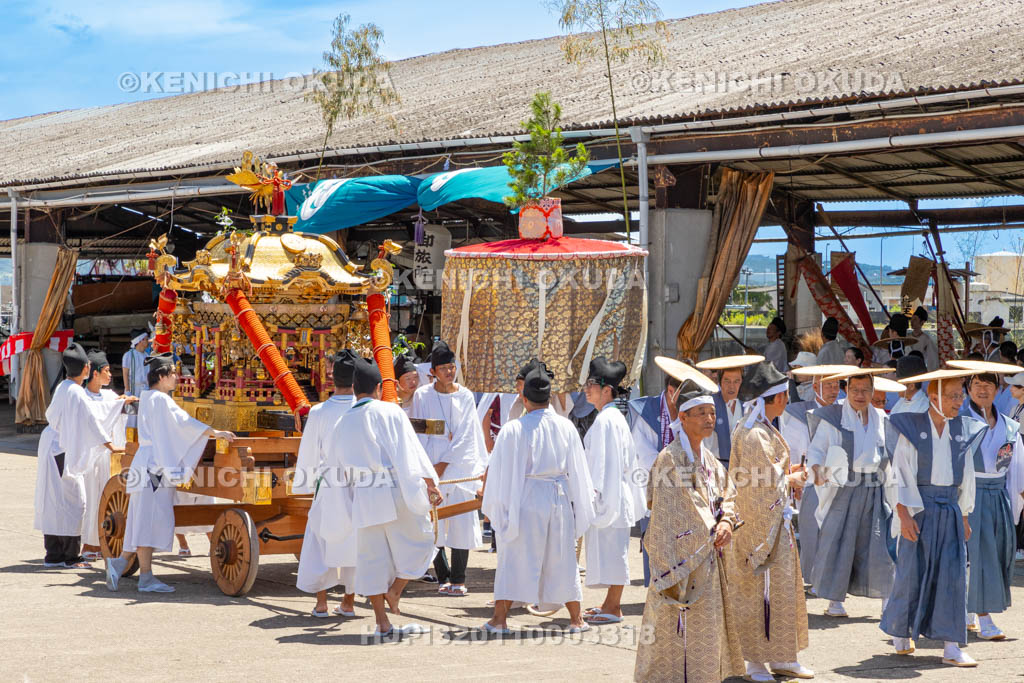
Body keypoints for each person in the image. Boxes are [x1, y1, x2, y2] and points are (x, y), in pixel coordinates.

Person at [322, 358, 443, 637]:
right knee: (422, 540)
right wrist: (429, 483)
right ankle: (395, 590)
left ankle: (382, 623)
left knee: (371, 557)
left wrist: (343, 502)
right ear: (378, 388)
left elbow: (335, 467)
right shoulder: (391, 411)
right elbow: (411, 450)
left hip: (365, 493)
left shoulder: (342, 421)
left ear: (354, 389)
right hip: (395, 486)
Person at [634, 375, 743, 682]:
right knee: (675, 632)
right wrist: (714, 527)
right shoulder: (670, 459)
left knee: (706, 633)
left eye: (712, 413)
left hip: (708, 557)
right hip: (680, 563)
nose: (710, 419)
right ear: (682, 418)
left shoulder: (709, 459)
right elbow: (674, 510)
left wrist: (726, 520)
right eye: (702, 414)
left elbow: (729, 493)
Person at [105, 353, 236, 593]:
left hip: (146, 463)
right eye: (173, 373)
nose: (177, 378)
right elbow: (184, 424)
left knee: (140, 518)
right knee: (149, 519)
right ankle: (144, 576)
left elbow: (179, 424)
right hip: (154, 467)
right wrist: (215, 433)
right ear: (162, 376)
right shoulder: (162, 400)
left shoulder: (148, 397)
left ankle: (120, 563)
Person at [482, 365, 596, 634]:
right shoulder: (566, 427)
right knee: (562, 558)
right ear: (549, 397)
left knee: (514, 558)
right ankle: (576, 619)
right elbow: (579, 470)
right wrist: (581, 507)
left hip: (525, 498)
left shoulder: (513, 429)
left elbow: (499, 471)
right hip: (558, 498)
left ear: (524, 398)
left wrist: (496, 506)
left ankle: (499, 619)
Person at [881, 370, 983, 666]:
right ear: (934, 398)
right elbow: (898, 473)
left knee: (953, 575)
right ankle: (900, 631)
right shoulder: (911, 427)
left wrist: (964, 514)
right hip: (919, 509)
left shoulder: (962, 429)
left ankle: (951, 645)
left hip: (950, 508)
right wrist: (904, 513)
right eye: (953, 396)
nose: (958, 401)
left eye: (960, 395)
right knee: (911, 573)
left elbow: (966, 477)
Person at [729, 361, 812, 682]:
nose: (787, 400)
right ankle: (754, 662)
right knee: (757, 593)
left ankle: (782, 656)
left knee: (781, 592)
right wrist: (790, 480)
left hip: (776, 523)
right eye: (784, 395)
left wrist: (789, 477)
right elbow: (758, 484)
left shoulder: (760, 429)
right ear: (773, 398)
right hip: (757, 527)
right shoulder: (753, 435)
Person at [806, 368, 894, 618]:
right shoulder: (834, 417)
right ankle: (835, 600)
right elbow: (816, 450)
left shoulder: (881, 418)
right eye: (855, 389)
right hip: (843, 487)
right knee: (838, 542)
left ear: (872, 391)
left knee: (879, 544)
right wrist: (816, 468)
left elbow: (890, 455)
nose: (860, 394)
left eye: (866, 390)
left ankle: (886, 600)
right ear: (846, 390)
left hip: (874, 488)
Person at [410, 340, 488, 597]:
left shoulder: (464, 395)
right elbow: (420, 430)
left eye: (452, 367)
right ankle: (443, 577)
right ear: (433, 371)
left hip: (458, 466)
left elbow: (466, 435)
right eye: (443, 368)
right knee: (434, 521)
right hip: (430, 462)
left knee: (461, 520)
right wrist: (427, 466)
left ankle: (459, 578)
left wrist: (442, 464)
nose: (449, 372)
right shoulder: (423, 395)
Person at [35, 343, 121, 569]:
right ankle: (71, 557)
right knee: (76, 502)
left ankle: (53, 555)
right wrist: (110, 445)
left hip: (52, 445)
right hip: (62, 448)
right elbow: (92, 421)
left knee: (54, 501)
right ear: (85, 369)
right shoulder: (76, 393)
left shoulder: (64, 387)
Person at [580, 357, 645, 625]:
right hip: (611, 492)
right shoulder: (609, 417)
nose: (586, 390)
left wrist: (593, 493)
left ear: (606, 389)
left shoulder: (608, 419)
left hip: (610, 493)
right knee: (609, 549)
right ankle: (609, 602)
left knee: (615, 552)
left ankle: (614, 606)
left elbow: (601, 464)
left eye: (591, 385)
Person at [295, 350, 359, 618]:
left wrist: (305, 485)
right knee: (356, 540)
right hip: (359, 484)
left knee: (321, 539)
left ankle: (321, 603)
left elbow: (308, 451)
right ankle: (348, 601)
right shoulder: (364, 409)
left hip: (328, 483)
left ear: (332, 378)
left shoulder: (319, 412)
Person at [961, 371, 1024, 640]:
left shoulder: (1010, 426)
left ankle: (968, 612)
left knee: (995, 556)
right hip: (969, 495)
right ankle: (983, 617)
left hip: (998, 495)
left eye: (988, 385)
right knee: (975, 558)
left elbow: (1017, 469)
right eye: (977, 384)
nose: (983, 390)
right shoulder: (960, 421)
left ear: (999, 389)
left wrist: (1016, 504)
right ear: (968, 389)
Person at [780, 366, 841, 584]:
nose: (834, 390)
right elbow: (793, 449)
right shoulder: (799, 413)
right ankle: (812, 578)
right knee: (811, 532)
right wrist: (796, 480)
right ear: (815, 387)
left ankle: (831, 580)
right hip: (810, 479)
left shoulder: (843, 411)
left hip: (839, 480)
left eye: (836, 385)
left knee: (835, 535)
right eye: (828, 385)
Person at [628, 371, 682, 587]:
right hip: (654, 488)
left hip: (685, 488)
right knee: (656, 544)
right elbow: (643, 455)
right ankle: (655, 596)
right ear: (671, 391)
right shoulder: (646, 411)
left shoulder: (689, 409)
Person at [81, 350, 131, 560]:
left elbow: (114, 410)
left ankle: (103, 542)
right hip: (89, 457)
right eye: (107, 371)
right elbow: (93, 419)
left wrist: (123, 402)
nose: (111, 375)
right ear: (95, 373)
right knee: (90, 499)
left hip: (108, 458)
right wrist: (117, 404)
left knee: (106, 499)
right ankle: (87, 544)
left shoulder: (110, 395)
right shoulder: (81, 396)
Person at [698, 355, 756, 468]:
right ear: (720, 382)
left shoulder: (748, 404)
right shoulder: (710, 404)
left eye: (736, 381)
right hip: (717, 465)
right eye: (727, 381)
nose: (731, 386)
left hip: (744, 466)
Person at [121, 330, 150, 429]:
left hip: (145, 389)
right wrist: (128, 391)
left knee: (144, 416)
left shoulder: (147, 356)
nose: (148, 341)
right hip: (134, 389)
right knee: (132, 417)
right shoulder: (129, 355)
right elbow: (125, 373)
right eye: (146, 339)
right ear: (140, 341)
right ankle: (131, 440)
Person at [909, 306, 940, 371]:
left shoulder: (926, 340)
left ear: (922, 322)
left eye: (915, 319)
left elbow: (932, 360)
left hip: (920, 370)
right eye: (912, 319)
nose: (912, 322)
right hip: (907, 369)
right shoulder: (907, 338)